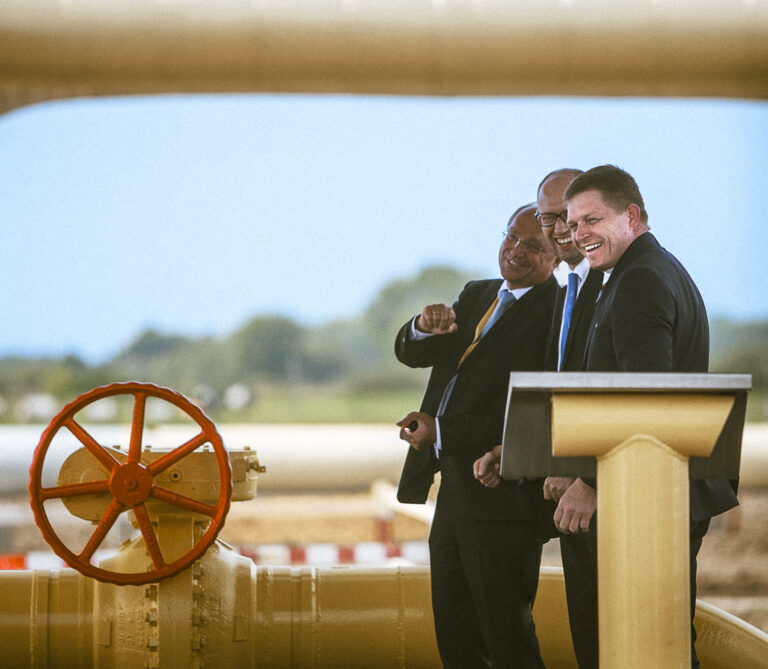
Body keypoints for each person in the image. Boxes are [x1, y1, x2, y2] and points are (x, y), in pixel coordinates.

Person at [550, 164, 739, 668]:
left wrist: (592, 482)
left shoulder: (641, 281)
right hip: (646, 492)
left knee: (650, 648)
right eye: (572, 225)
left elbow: (647, 398)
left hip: (644, 499)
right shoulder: (639, 272)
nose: (578, 234)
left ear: (632, 215)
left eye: (592, 219)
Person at [395, 204, 559, 668]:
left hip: (504, 496)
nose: (517, 251)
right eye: (511, 237)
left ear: (556, 258)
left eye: (534, 246)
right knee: (455, 628)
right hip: (455, 491)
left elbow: (534, 407)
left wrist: (440, 430)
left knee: (504, 633)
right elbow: (413, 354)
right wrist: (422, 328)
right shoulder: (478, 294)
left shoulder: (558, 313)